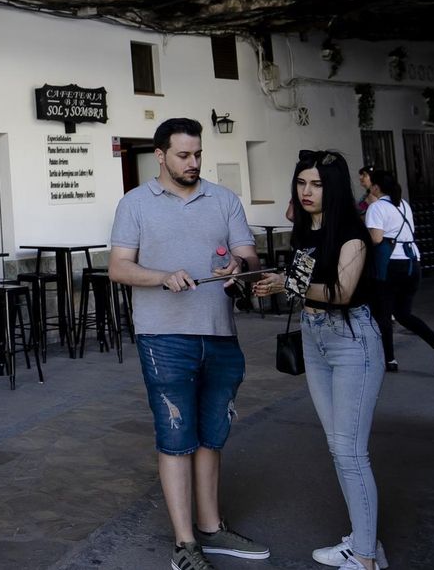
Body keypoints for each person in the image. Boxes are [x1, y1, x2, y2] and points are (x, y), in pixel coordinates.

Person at [109, 118, 268, 570]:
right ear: (160, 156)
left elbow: (251, 256)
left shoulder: (224, 199)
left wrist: (237, 265)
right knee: (177, 435)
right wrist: (162, 277)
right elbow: (119, 268)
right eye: (183, 155)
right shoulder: (135, 203)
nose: (193, 162)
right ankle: (184, 544)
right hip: (163, 337)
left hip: (220, 333)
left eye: (197, 154)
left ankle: (212, 528)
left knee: (212, 435)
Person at [253, 151, 386, 570]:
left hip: (352, 340)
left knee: (350, 452)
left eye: (317, 184)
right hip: (315, 338)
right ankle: (364, 543)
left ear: (334, 187)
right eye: (301, 183)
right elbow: (302, 287)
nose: (306, 192)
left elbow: (342, 292)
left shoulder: (350, 231)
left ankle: (364, 559)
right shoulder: (305, 231)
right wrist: (274, 283)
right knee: (337, 447)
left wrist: (286, 284)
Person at [362, 170, 434, 374]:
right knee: (403, 313)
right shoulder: (403, 204)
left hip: (390, 265)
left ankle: (390, 360)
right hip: (413, 262)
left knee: (383, 314)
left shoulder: (376, 207)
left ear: (376, 187)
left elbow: (376, 239)